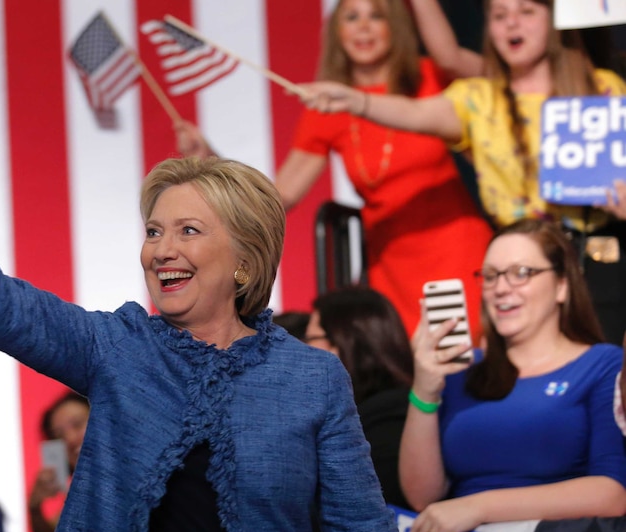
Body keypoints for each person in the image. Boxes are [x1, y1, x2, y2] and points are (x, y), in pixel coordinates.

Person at [0, 50, 412, 532]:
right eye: (154, 231)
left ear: (245, 263)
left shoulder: (312, 377)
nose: (161, 250)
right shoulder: (119, 347)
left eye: (188, 231)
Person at [299, 0, 626, 343]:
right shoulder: (477, 99)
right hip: (519, 270)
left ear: (553, 21)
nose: (512, 23)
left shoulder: (601, 88)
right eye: (499, 16)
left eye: (526, 12)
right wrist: (355, 101)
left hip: (596, 262)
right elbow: (414, 113)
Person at [176, 0, 492, 338]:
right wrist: (211, 159)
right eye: (352, 17)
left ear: (396, 26)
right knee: (402, 372)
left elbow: (472, 66)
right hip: (389, 268)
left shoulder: (431, 77)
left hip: (457, 250)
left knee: (465, 362)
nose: (364, 27)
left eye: (377, 16)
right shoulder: (328, 106)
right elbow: (280, 195)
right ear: (337, 32)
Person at [400, 219, 626, 532]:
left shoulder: (602, 364)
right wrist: (424, 391)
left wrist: (479, 507)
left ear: (563, 285)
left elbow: (612, 494)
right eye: (490, 275)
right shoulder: (461, 370)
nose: (501, 288)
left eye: (520, 272)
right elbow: (423, 498)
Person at [305, 287, 412, 509]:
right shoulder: (357, 412)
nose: (302, 349)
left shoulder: (389, 417)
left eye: (311, 339)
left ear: (344, 342)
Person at [28, 392, 90, 532]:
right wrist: (34, 507)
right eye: (58, 435)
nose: (69, 439)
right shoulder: (81, 493)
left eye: (77, 424)